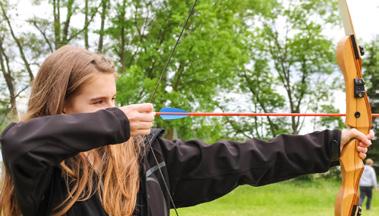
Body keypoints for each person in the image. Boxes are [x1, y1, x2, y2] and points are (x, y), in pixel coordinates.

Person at [0, 45, 374, 216]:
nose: (114, 111)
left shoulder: (146, 157)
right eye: (98, 104)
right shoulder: (46, 171)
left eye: (114, 100)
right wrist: (115, 123)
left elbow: (240, 159)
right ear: (63, 106)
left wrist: (328, 145)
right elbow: (19, 142)